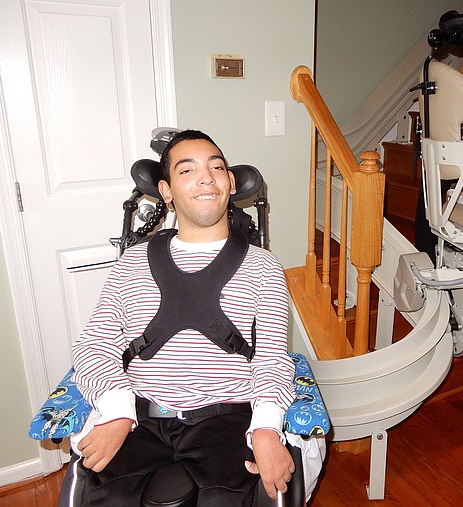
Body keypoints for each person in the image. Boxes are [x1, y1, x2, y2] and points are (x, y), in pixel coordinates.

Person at [70, 130, 296, 506]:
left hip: (226, 419)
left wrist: (267, 428)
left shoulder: (264, 267)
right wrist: (116, 411)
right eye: (187, 170)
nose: (206, 177)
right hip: (139, 416)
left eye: (216, 167)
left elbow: (272, 357)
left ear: (230, 182)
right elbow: (94, 346)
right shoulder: (132, 264)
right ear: (167, 191)